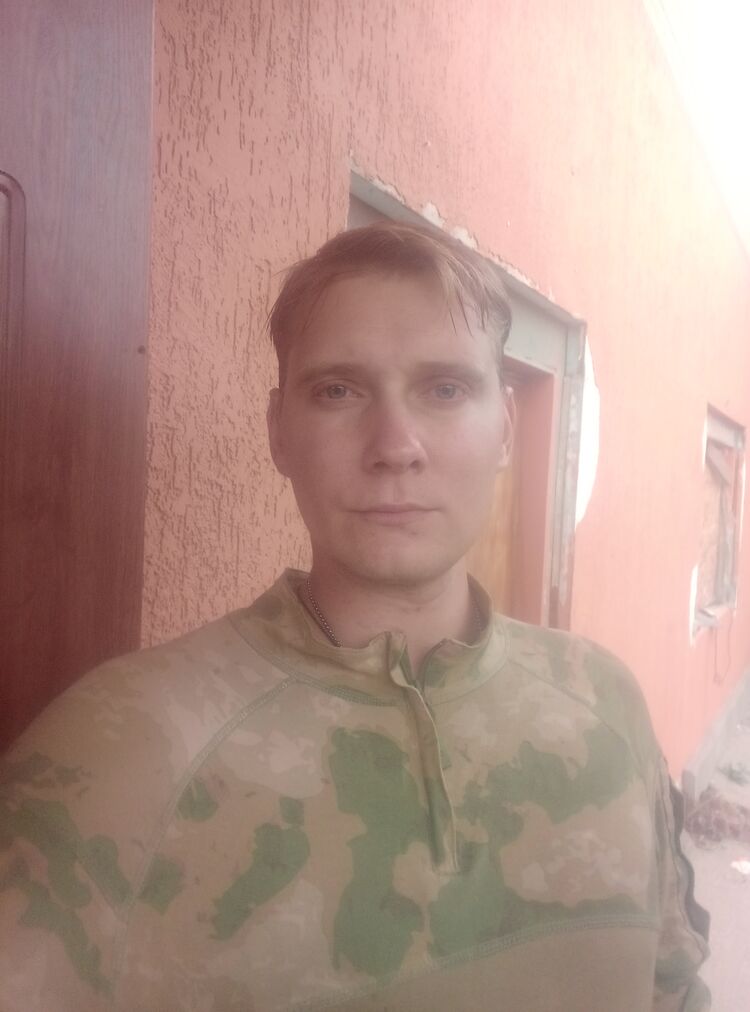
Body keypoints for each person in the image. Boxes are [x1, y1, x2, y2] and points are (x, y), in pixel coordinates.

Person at [0, 221, 709, 1010]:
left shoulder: (606, 702)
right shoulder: (123, 748)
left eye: (445, 389)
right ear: (278, 431)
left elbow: (674, 988)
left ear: (507, 429)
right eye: (339, 390)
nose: (395, 446)